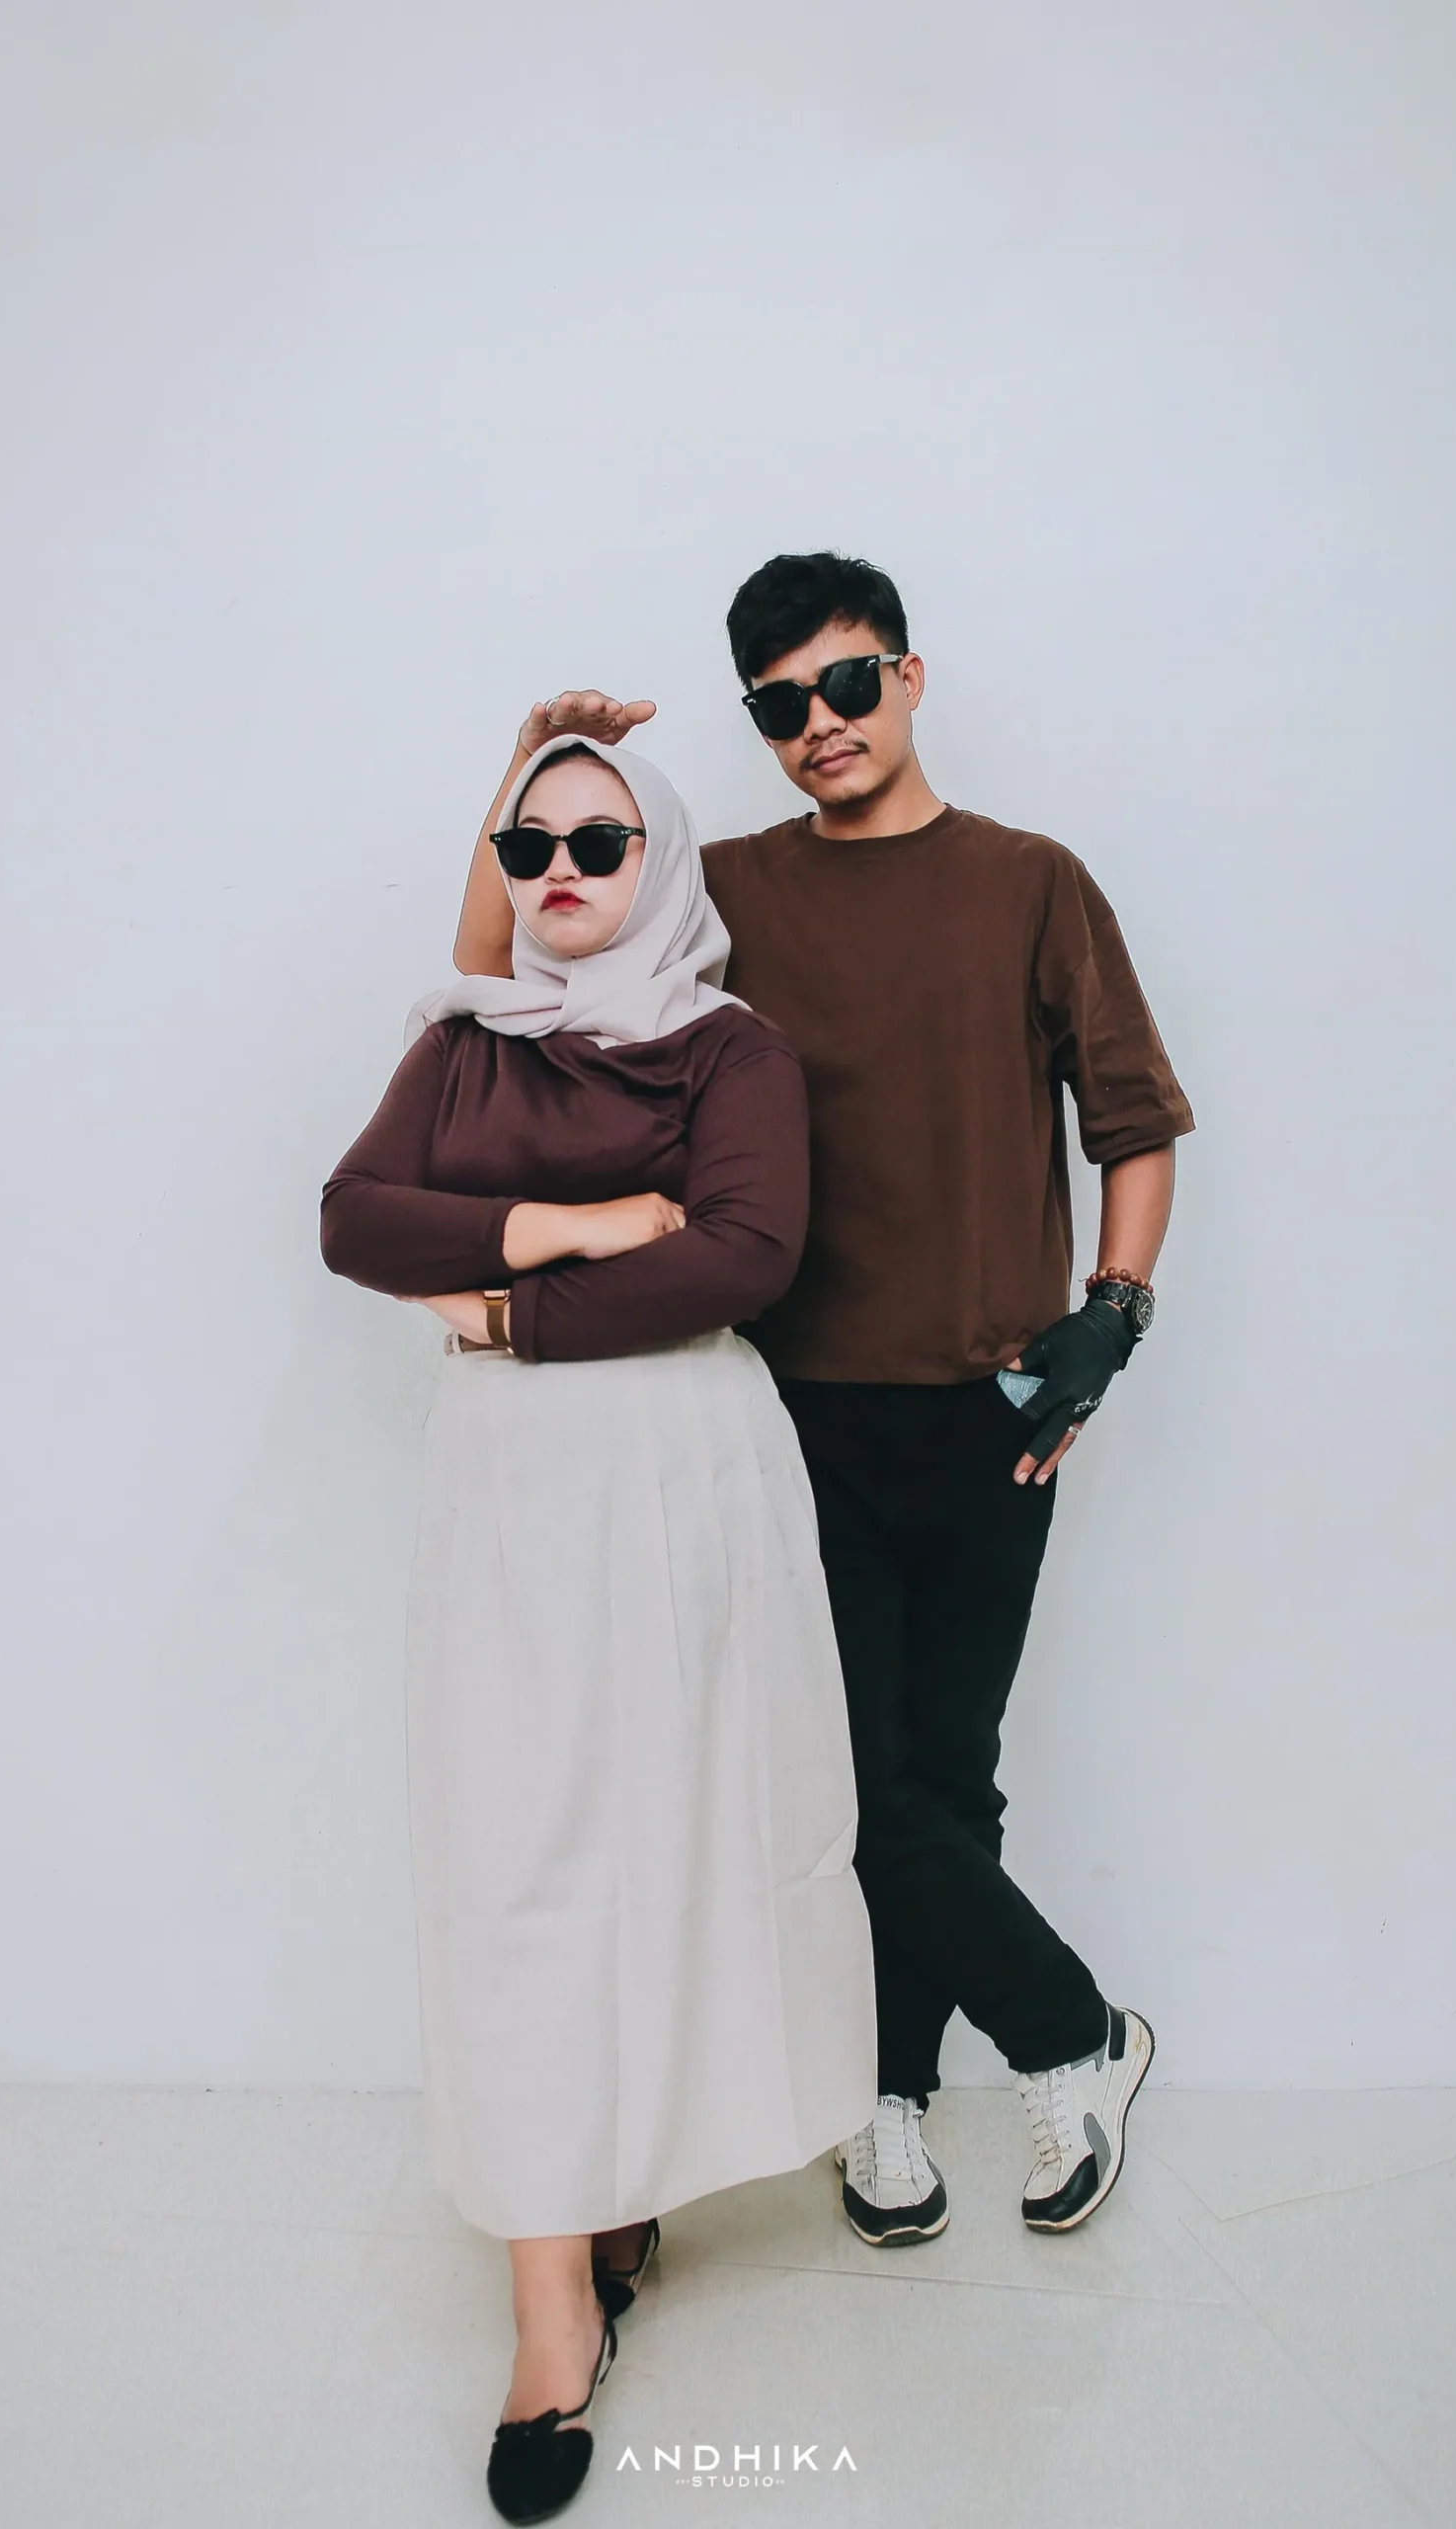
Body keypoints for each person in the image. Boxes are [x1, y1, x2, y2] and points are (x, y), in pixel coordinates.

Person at [451, 552, 1195, 2253]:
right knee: (854, 1793)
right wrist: (521, 771)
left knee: (948, 1777)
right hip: (788, 1414)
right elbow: (502, 965)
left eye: (846, 684)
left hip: (998, 1406)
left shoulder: (1030, 881)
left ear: (908, 680)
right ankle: (1067, 2036)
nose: (819, 724)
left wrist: (1113, 1313)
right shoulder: (727, 893)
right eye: (780, 704)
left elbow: (1133, 1123)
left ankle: (898, 2094)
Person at [321, 730, 876, 2523]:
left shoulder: (732, 1049)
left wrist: (503, 1308)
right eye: (528, 842)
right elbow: (354, 1219)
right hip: (511, 1494)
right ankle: (550, 2303)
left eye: (597, 838)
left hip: (685, 1477)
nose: (559, 867)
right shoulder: (464, 1039)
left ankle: (623, 2178)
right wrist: (577, 1221)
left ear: (661, 858)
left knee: (673, 1838)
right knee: (519, 1858)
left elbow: (742, 1253)